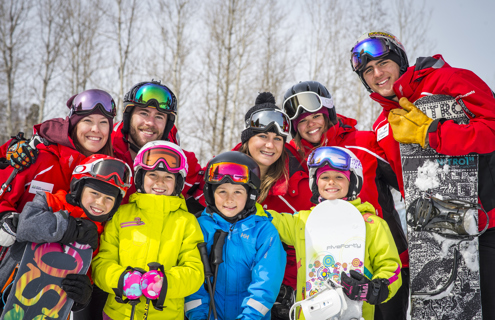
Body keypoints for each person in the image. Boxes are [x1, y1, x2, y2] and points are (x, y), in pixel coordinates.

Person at [349, 30, 495, 319]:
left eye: (383, 63)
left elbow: (492, 129)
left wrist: (433, 133)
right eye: (368, 70)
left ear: (400, 61)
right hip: (437, 241)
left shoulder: (448, 80)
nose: (378, 74)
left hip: (488, 228)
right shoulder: (384, 124)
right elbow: (406, 186)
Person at [282, 81, 409, 318]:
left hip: (382, 260)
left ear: (328, 114)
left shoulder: (363, 143)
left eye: (315, 117)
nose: (310, 125)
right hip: (328, 276)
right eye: (302, 122)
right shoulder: (297, 160)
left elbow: (405, 179)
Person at [0, 89, 116, 295]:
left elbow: (96, 233)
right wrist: (5, 217)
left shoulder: (105, 178)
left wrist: (84, 283)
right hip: (12, 264)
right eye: (88, 120)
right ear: (74, 123)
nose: (96, 129)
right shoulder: (39, 156)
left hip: (55, 285)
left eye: (104, 123)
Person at [269, 146, 402, 320]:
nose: (331, 182)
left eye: (339, 177)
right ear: (316, 183)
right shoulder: (302, 221)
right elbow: (269, 220)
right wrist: (244, 195)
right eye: (324, 177)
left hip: (357, 314)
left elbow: (391, 268)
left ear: (352, 182)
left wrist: (374, 288)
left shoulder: (372, 224)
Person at [5, 154, 131, 314]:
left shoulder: (102, 234)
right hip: (10, 284)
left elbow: (89, 272)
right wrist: (71, 227)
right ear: (79, 189)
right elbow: (26, 225)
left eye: (109, 199)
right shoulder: (50, 201)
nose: (100, 203)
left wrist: (81, 295)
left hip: (50, 306)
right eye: (95, 194)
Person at [91, 140, 204, 320]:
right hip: (117, 314)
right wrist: (121, 279)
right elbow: (101, 263)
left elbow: (195, 271)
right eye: (153, 175)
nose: (160, 181)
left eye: (168, 177)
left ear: (178, 182)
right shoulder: (121, 215)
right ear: (140, 178)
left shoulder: (186, 222)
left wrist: (165, 283)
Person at [234, 92, 313, 319]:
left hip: (278, 293)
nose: (270, 145)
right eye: (262, 136)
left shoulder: (297, 186)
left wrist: (285, 289)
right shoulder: (225, 175)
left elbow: (302, 243)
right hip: (228, 287)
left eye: (277, 139)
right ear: (247, 140)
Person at [185, 151, 286, 320]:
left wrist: (250, 317)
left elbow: (266, 283)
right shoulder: (199, 229)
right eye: (222, 191)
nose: (229, 199)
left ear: (250, 195)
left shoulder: (263, 232)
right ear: (211, 193)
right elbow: (192, 280)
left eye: (238, 192)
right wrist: (199, 316)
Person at [111, 80, 204, 209]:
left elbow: (222, 182)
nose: (150, 123)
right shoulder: (106, 152)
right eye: (144, 113)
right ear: (129, 116)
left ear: (167, 125)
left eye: (159, 116)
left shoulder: (180, 162)